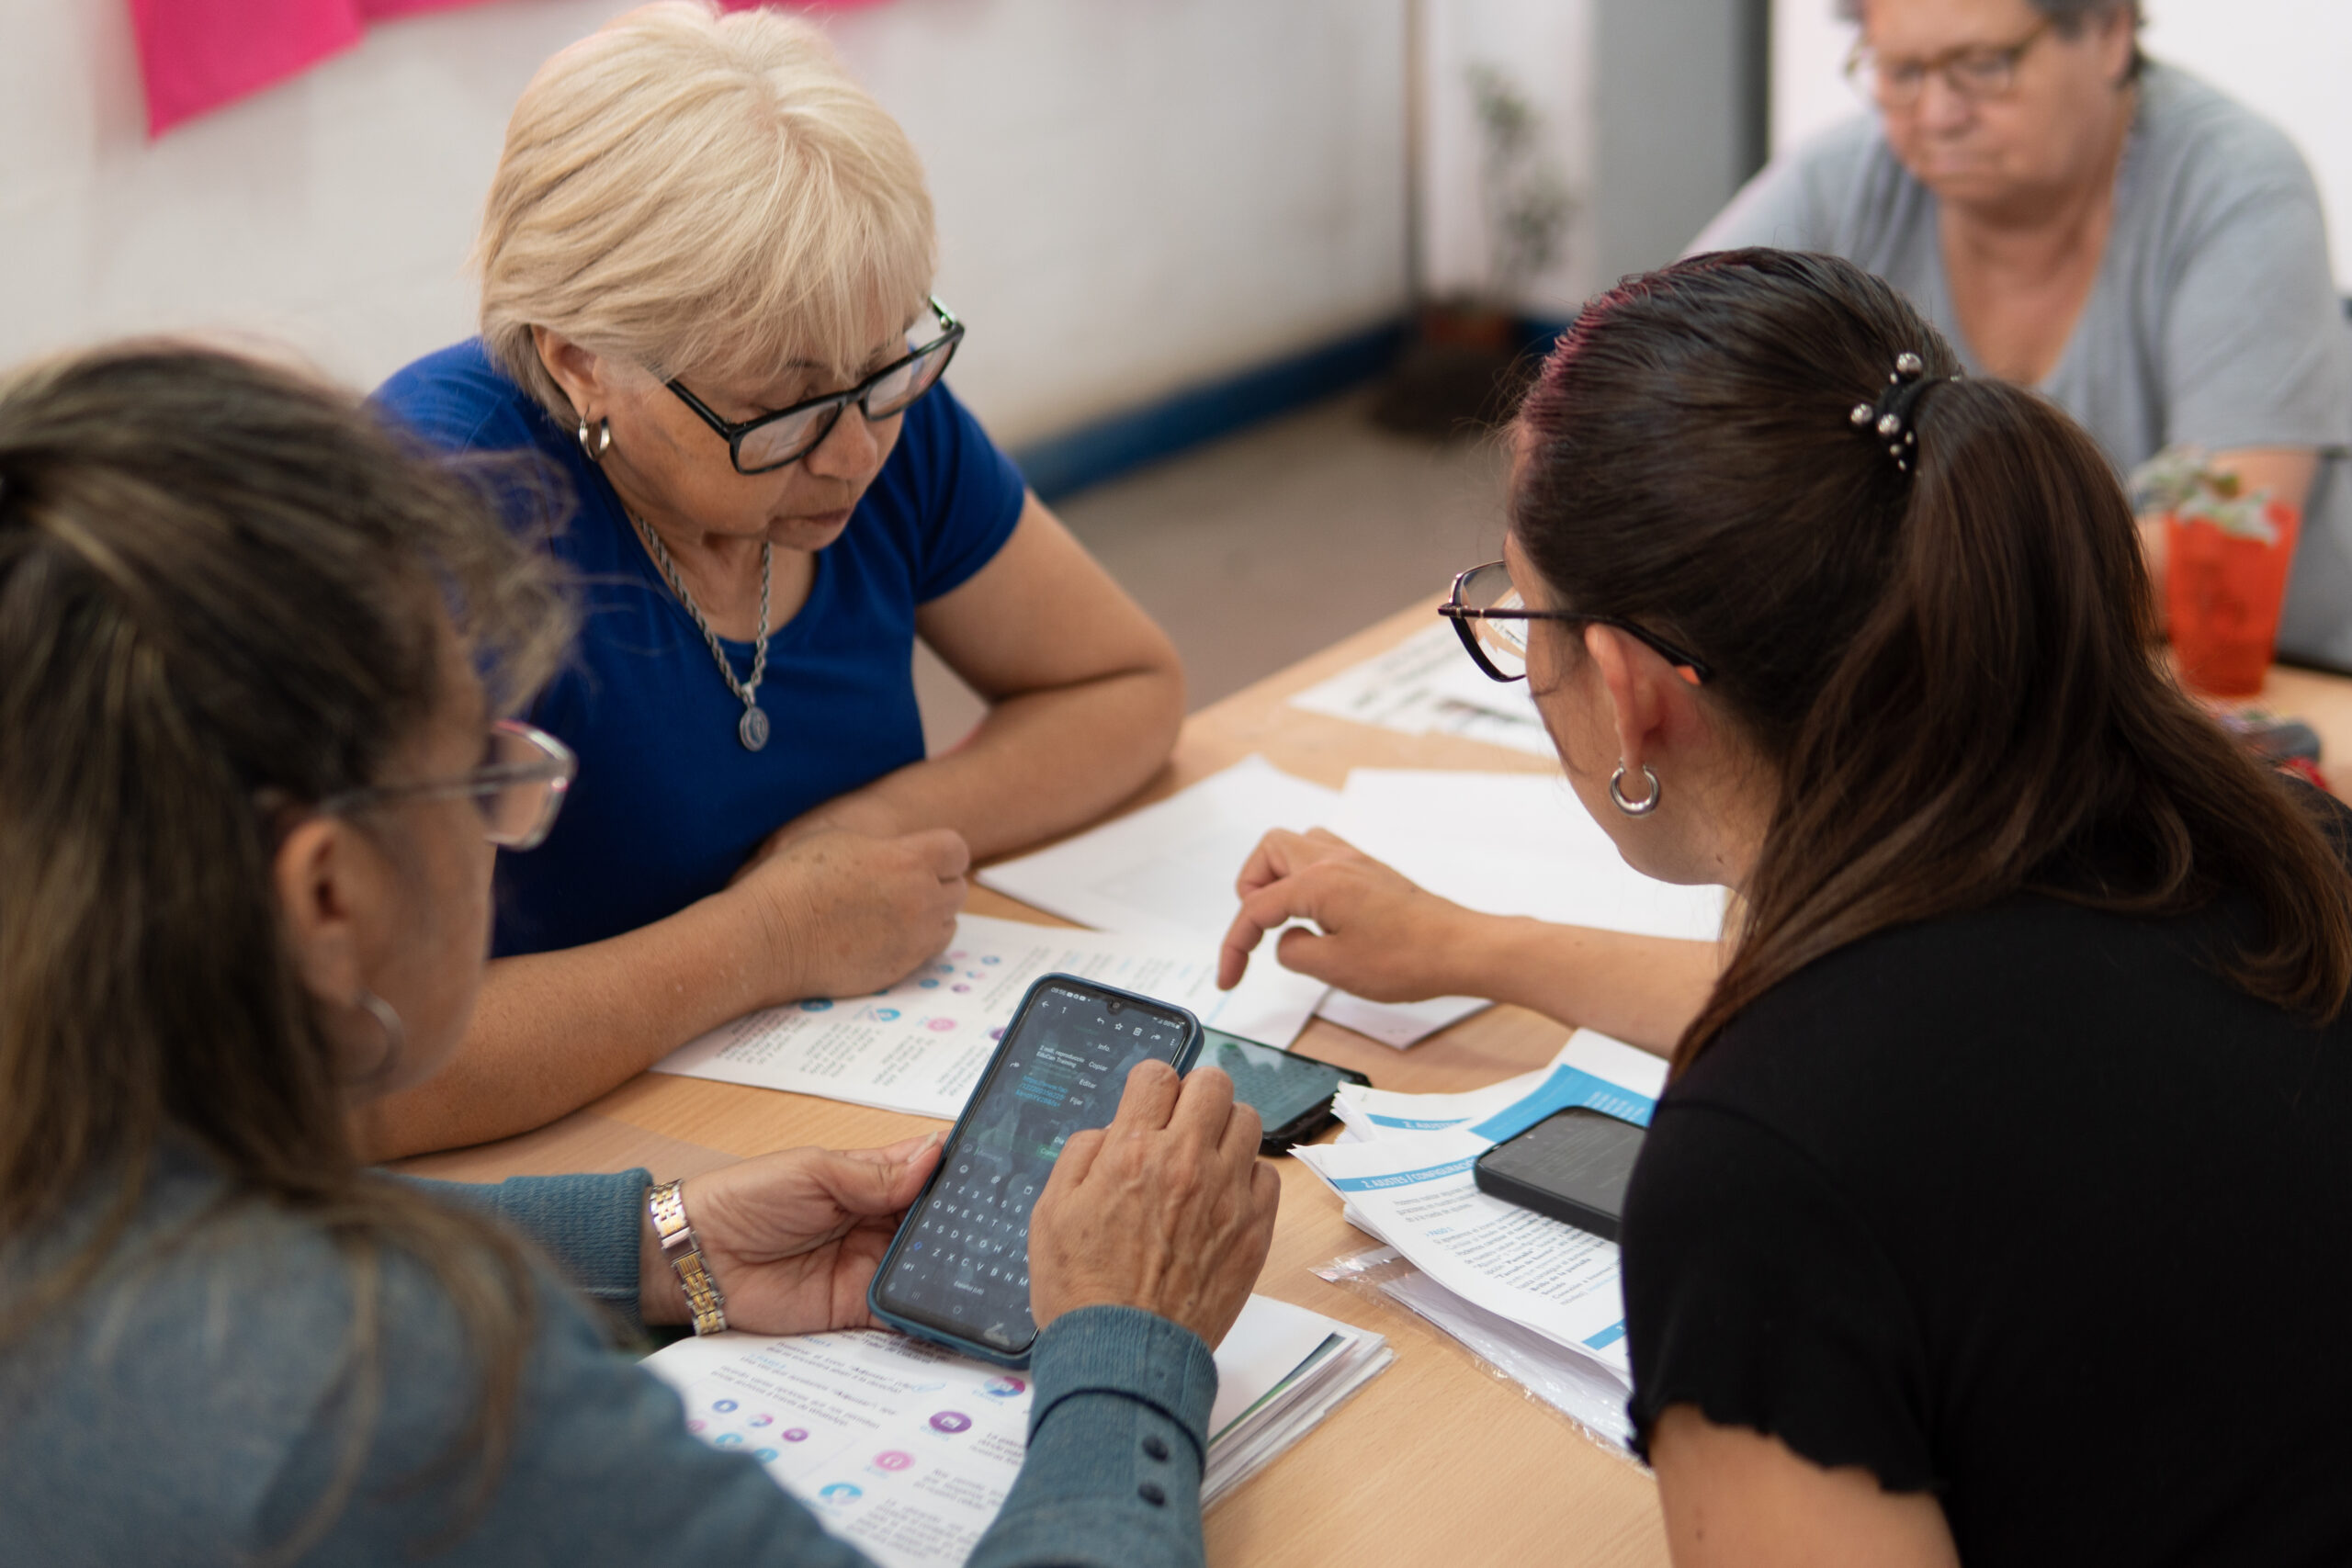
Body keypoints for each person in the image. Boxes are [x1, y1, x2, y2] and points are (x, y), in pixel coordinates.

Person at [0, 344, 1275, 1565]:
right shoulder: (402, 1397)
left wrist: (650, 1240)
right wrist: (1128, 1339)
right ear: (327, 893)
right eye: (483, 771)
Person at [1226, 249, 2352, 1562]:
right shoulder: (2271, 839)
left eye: (1519, 611)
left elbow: (1861, 1076)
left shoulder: (1770, 1173)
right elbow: (1944, 1038)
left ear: (1631, 685)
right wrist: (1479, 946)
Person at [366, 2, 1186, 1158]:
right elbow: (350, 1074)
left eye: (885, 363)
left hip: (804, 1101)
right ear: (583, 358)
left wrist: (872, 825)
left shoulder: (864, 407)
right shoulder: (440, 520)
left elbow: (1122, 684)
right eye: (778, 407)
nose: (854, 452)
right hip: (544, 1174)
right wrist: (762, 941)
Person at [1694, 0, 2352, 667]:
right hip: (1961, 671)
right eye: (1899, 72)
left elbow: (2219, 549)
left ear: (2109, 32)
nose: (1937, 115)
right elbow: (1653, 378)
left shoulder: (2236, 186)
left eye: (1983, 67)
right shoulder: (1839, 179)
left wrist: (1852, 601)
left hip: (2267, 681)